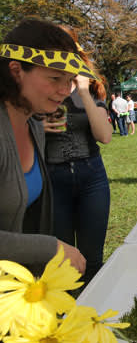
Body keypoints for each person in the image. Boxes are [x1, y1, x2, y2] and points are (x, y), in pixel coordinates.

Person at [0, 18, 95, 275]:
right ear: (16, 71)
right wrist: (49, 248)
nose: (65, 90)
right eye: (54, 78)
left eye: (69, 80)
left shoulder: (33, 127)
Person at [44, 26, 112, 287]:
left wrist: (83, 91)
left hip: (91, 176)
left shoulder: (91, 86)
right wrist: (38, 127)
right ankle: (65, 319)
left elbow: (104, 136)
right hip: (52, 178)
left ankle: (93, 317)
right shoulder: (38, 84)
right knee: (62, 261)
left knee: (92, 258)